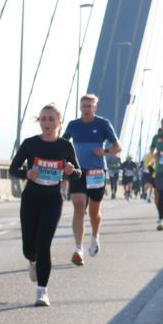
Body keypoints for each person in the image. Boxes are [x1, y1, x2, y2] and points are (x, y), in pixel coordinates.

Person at [10, 103, 80, 306]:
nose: (47, 123)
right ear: (39, 121)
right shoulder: (30, 144)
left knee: (44, 243)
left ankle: (42, 292)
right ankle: (32, 259)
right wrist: (26, 173)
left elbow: (78, 172)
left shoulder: (65, 146)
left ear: (59, 122)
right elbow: (13, 168)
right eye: (43, 119)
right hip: (31, 199)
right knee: (29, 247)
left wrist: (70, 170)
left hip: (52, 199)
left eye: (51, 119)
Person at [61, 94, 122, 264]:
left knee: (94, 212)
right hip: (78, 172)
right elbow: (63, 144)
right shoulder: (73, 125)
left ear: (95, 107)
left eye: (90, 106)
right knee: (79, 208)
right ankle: (78, 249)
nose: (86, 109)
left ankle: (95, 236)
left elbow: (118, 147)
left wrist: (106, 152)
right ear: (80, 108)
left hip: (96, 172)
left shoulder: (103, 124)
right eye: (84, 106)